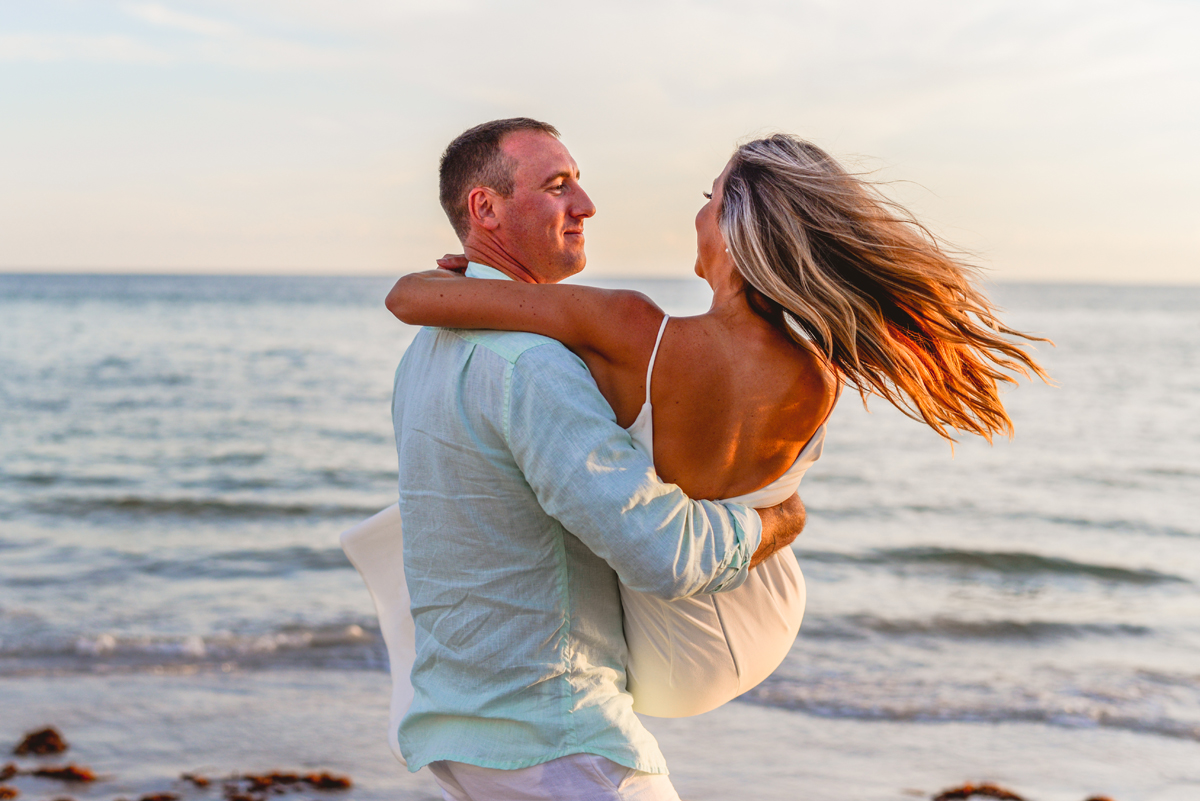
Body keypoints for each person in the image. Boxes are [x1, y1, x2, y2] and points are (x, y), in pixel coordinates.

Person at [388, 132, 1049, 716]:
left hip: (665, 651)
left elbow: (408, 298)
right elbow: (768, 494)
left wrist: (470, 284)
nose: (698, 213)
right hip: (765, 615)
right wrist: (784, 520)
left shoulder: (630, 331)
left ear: (733, 229)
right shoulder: (819, 377)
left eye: (709, 197)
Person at [389, 118, 807, 801]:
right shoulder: (536, 367)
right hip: (561, 746)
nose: (585, 204)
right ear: (485, 209)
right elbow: (663, 552)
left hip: (466, 744)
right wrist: (775, 524)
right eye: (558, 185)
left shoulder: (426, 354)